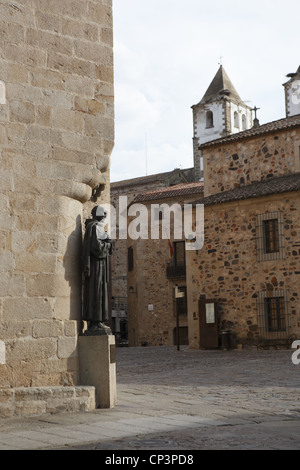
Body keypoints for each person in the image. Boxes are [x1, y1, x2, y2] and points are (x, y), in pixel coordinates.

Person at [82, 206, 113, 334]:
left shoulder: (96, 227)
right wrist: (108, 243)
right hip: (96, 266)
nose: (105, 216)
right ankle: (95, 322)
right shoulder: (94, 227)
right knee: (96, 292)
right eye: (104, 214)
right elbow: (97, 248)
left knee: (100, 292)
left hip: (100, 265)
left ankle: (99, 321)